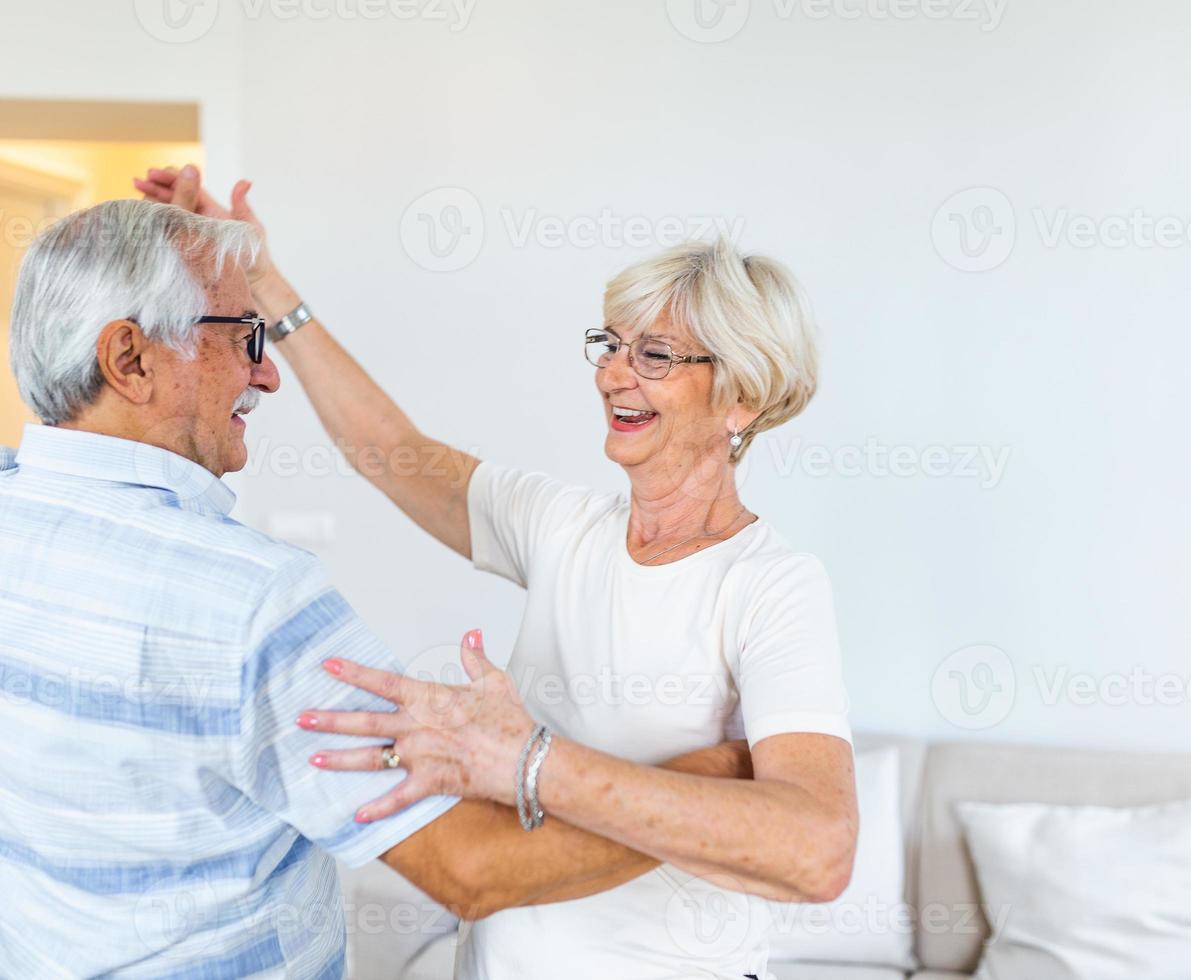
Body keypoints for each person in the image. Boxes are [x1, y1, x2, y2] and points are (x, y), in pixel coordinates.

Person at [0, 197, 755, 978]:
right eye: (243, 337)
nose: (266, 374)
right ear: (129, 357)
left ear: (742, 399)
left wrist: (265, 287)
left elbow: (392, 452)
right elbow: (471, 868)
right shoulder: (249, 600)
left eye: (655, 356)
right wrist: (718, 774)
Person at [135, 166, 859, 979]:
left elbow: (818, 848)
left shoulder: (770, 585)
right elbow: (389, 452)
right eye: (611, 345)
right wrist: (263, 277)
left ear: (742, 400)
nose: (614, 374)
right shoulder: (561, 525)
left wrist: (530, 759)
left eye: (654, 355)